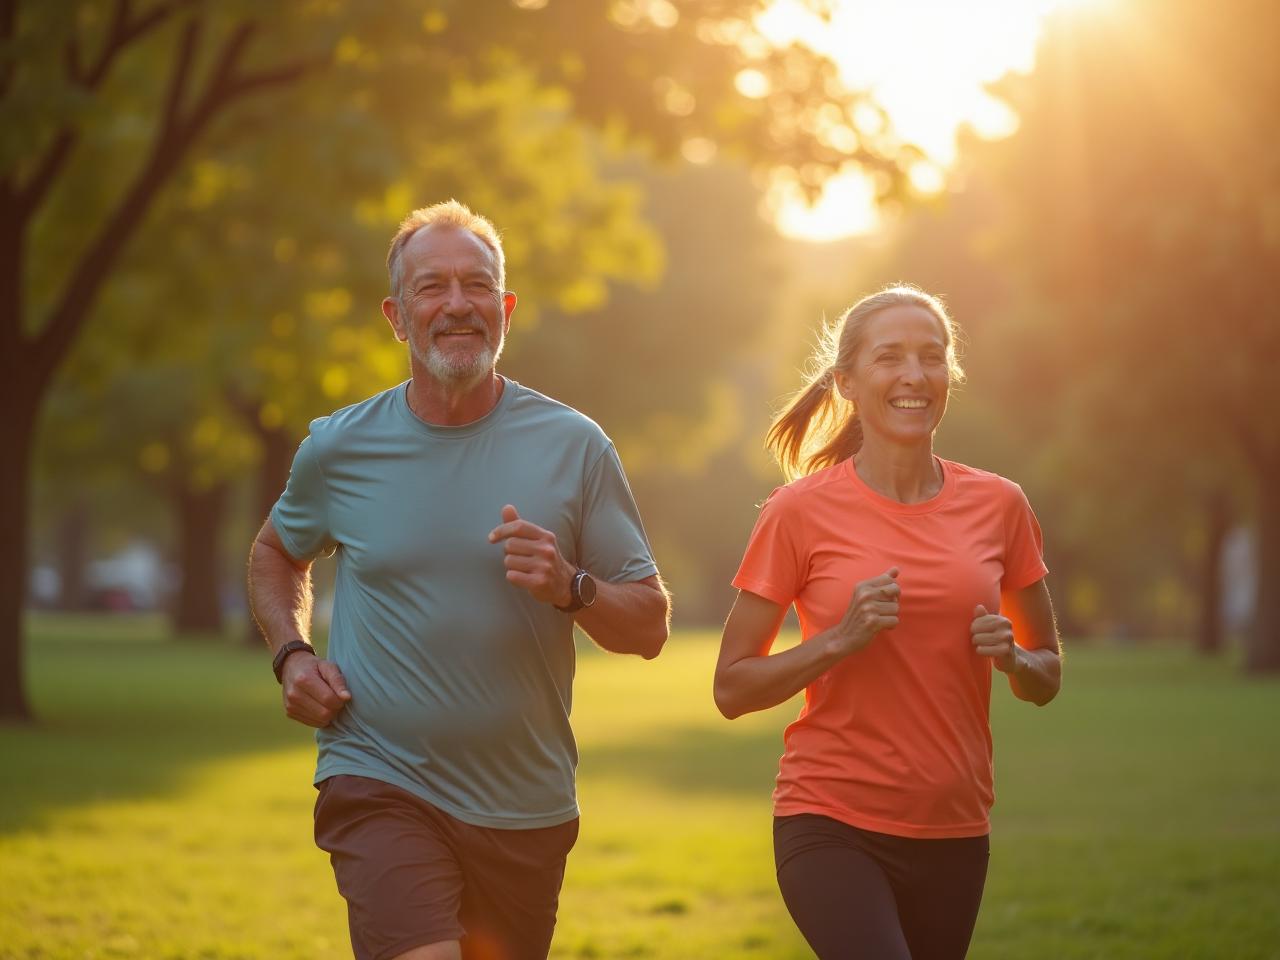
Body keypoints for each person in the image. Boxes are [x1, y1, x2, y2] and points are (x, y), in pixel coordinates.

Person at [248, 200, 669, 960]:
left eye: (476, 285)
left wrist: (571, 585)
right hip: (378, 776)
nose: (456, 304)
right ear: (397, 316)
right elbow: (275, 552)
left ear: (504, 309)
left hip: (525, 807)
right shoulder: (339, 448)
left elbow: (649, 626)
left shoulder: (575, 446)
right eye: (431, 287)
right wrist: (292, 653)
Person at [713, 285, 1062, 960]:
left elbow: (1046, 674)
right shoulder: (797, 513)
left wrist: (1015, 659)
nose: (914, 375)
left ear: (948, 377)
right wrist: (840, 640)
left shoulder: (1001, 506)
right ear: (846, 381)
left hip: (956, 829)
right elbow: (732, 687)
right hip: (830, 820)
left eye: (932, 357)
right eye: (890, 357)